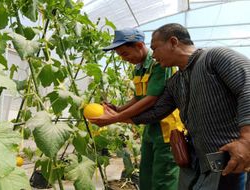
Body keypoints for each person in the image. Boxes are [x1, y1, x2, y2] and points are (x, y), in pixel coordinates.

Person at [91, 23, 250, 190]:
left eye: (156, 48)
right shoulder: (175, 82)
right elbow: (156, 113)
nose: (153, 56)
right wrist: (114, 117)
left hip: (229, 160)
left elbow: (247, 87)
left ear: (173, 42)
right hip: (199, 162)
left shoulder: (214, 57)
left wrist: (246, 140)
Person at [100, 28, 180, 190]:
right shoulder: (138, 68)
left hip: (167, 131)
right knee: (146, 175)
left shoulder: (160, 64)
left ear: (139, 45)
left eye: (125, 54)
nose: (124, 59)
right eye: (120, 56)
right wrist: (118, 109)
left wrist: (116, 117)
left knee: (163, 178)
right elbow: (138, 97)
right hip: (150, 128)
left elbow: (151, 100)